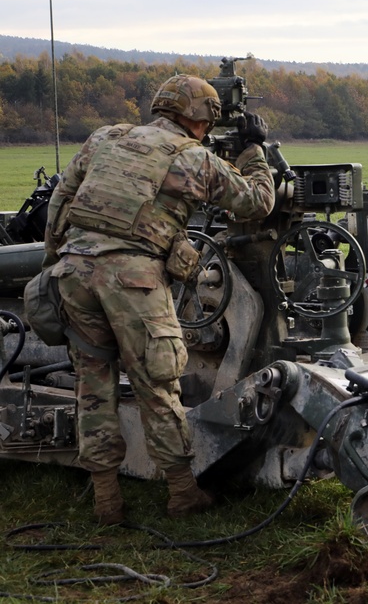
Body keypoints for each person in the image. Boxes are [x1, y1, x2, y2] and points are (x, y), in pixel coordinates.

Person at [42, 74, 276, 525]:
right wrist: (253, 154)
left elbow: (61, 199)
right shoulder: (195, 158)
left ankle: (106, 501)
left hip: (73, 273)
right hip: (134, 280)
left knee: (92, 388)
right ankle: (182, 493)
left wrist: (60, 258)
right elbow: (256, 203)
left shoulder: (105, 137)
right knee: (158, 387)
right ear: (202, 119)